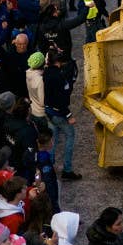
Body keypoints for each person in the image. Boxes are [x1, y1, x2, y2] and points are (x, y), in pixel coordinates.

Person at [43, 49, 80, 181]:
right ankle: (67, 169)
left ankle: (49, 164)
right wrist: (69, 115)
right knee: (70, 135)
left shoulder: (46, 73)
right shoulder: (58, 76)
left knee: (54, 137)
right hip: (58, 112)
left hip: (48, 110)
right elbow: (61, 99)